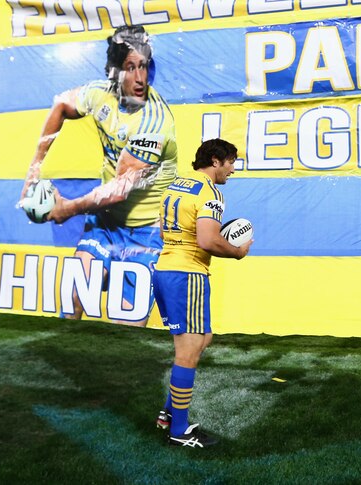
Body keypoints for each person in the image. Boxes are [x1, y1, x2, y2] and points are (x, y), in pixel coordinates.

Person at [20, 25, 177, 326]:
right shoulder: (99, 94)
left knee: (126, 327)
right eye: (131, 68)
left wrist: (68, 208)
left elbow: (119, 189)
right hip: (105, 224)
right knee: (75, 298)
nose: (140, 78)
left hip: (147, 234)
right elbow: (61, 105)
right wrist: (34, 168)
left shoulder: (154, 124)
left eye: (144, 66)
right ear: (114, 72)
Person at [152, 138, 252, 447]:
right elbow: (208, 240)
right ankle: (179, 431)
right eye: (231, 162)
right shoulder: (210, 192)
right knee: (189, 351)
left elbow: (161, 229)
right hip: (188, 275)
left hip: (166, 270)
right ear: (215, 160)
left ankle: (168, 415)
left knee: (201, 340)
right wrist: (236, 251)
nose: (233, 169)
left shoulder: (176, 185)